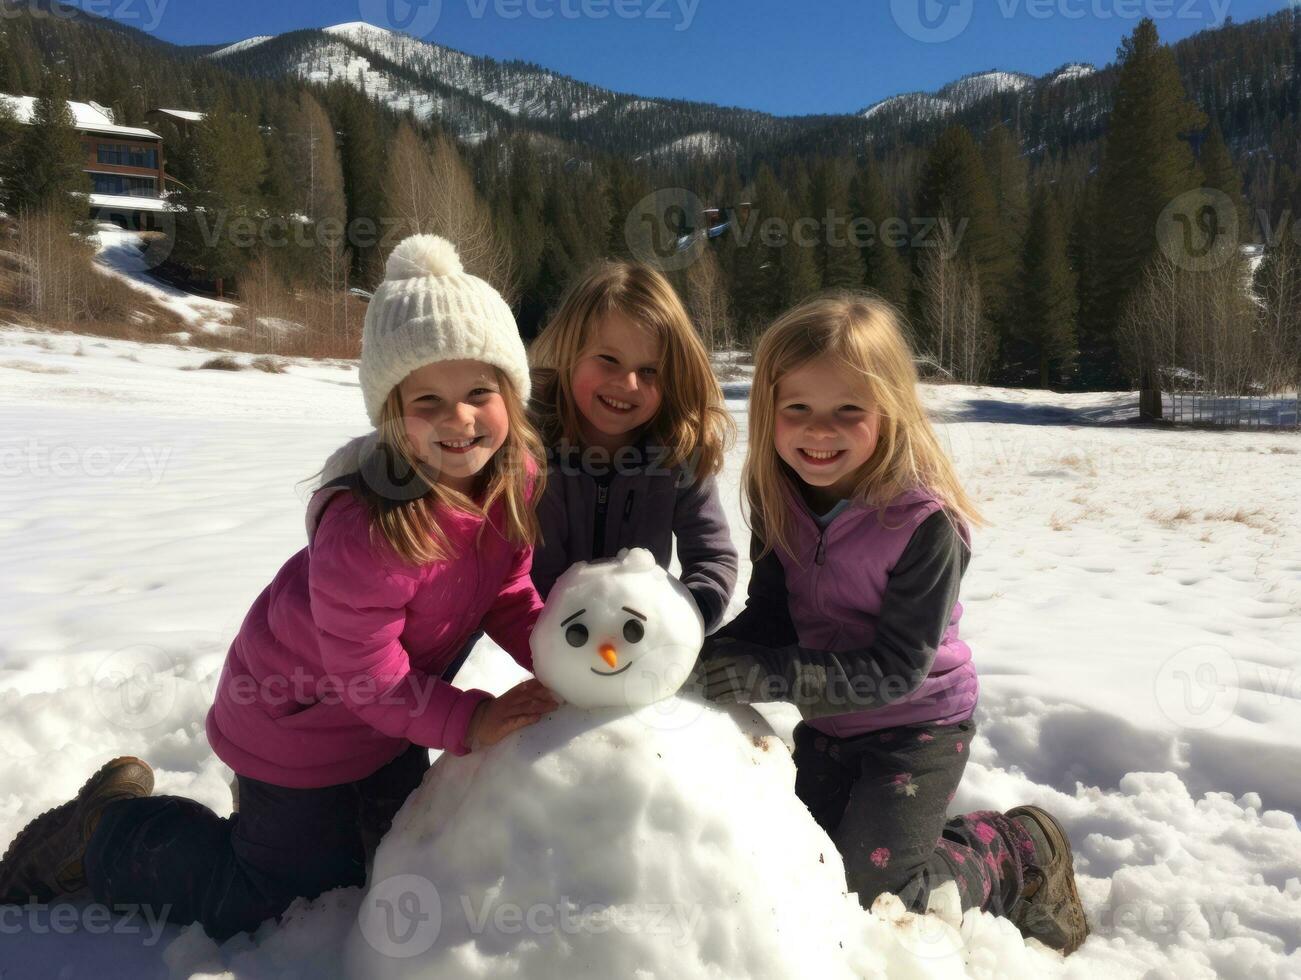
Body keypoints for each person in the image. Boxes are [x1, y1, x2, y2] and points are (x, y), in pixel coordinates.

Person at [0, 235, 560, 941]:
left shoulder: (512, 485)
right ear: (391, 414)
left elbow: (508, 594)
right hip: (292, 729)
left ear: (512, 392)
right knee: (270, 900)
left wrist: (562, 661)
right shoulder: (372, 525)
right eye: (428, 400)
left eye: (479, 392)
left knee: (387, 867)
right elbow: (367, 677)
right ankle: (108, 830)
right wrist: (470, 721)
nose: (459, 419)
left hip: (387, 731)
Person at [693, 292, 1089, 955]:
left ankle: (1009, 849)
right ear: (768, 410)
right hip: (829, 723)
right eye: (797, 409)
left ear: (890, 410)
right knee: (800, 867)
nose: (819, 432)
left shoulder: (921, 523)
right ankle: (901, 836)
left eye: (848, 411)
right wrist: (696, 658)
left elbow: (897, 668)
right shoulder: (777, 494)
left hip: (918, 725)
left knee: (875, 893)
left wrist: (768, 674)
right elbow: (770, 616)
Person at [528, 261, 738, 633]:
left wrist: (685, 622)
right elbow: (513, 572)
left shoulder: (676, 454)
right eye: (608, 360)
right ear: (568, 352)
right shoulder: (529, 446)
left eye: (649, 371)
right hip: (546, 637)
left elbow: (711, 557)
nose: (627, 384)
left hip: (639, 639)